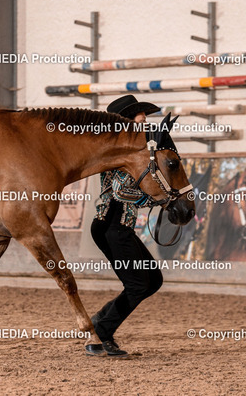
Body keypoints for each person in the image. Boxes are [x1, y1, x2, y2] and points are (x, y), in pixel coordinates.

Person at [90, 95, 163, 358]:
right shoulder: (119, 152)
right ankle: (102, 332)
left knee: (153, 280)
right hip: (112, 226)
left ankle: (101, 320)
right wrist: (155, 199)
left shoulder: (131, 151)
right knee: (137, 285)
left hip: (118, 228)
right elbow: (121, 191)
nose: (145, 122)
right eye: (140, 118)